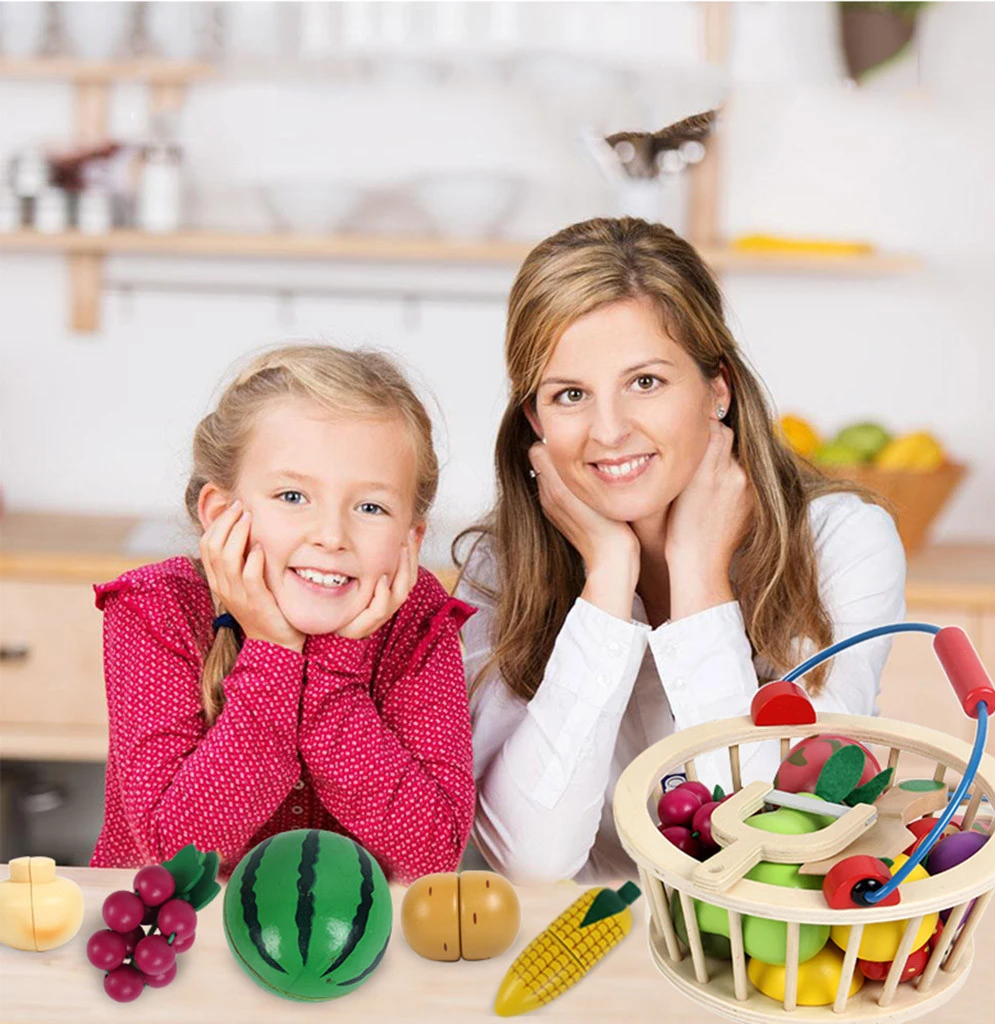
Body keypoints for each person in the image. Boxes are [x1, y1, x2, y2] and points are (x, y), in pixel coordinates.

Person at [453, 218, 906, 884]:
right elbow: (532, 862)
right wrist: (606, 582)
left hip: (755, 966)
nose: (608, 431)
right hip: (587, 958)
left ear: (717, 389)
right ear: (535, 422)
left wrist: (699, 582)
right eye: (570, 395)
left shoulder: (842, 544)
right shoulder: (503, 566)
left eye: (645, 383)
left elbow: (778, 838)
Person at [90, 344, 476, 883]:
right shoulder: (157, 612)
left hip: (346, 960)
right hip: (174, 953)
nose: (331, 537)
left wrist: (332, 665)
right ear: (222, 514)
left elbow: (430, 853)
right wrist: (273, 651)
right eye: (293, 496)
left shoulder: (417, 623)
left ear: (411, 538)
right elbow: (176, 856)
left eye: (371, 507)